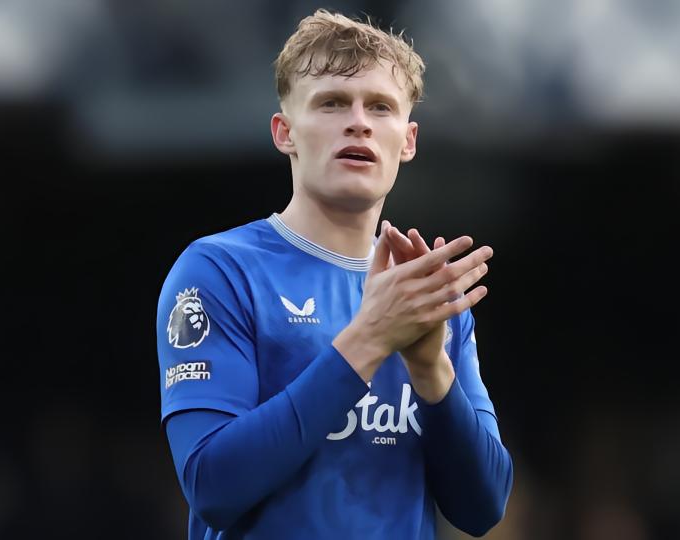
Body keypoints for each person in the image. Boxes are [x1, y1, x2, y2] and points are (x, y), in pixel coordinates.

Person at [157, 9, 513, 540]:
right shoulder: (218, 271)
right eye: (332, 103)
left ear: (408, 141)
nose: (359, 122)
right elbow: (212, 484)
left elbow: (482, 508)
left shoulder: (423, 295)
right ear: (285, 133)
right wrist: (369, 339)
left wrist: (430, 370)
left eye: (380, 107)